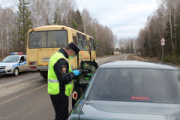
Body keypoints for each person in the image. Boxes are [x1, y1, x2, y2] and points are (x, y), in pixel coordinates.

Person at [48, 42, 81, 120]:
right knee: (62, 117)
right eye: (73, 55)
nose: (72, 56)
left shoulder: (57, 56)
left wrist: (71, 72)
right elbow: (64, 79)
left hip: (55, 92)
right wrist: (73, 74)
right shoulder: (61, 60)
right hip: (60, 93)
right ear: (71, 51)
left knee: (61, 115)